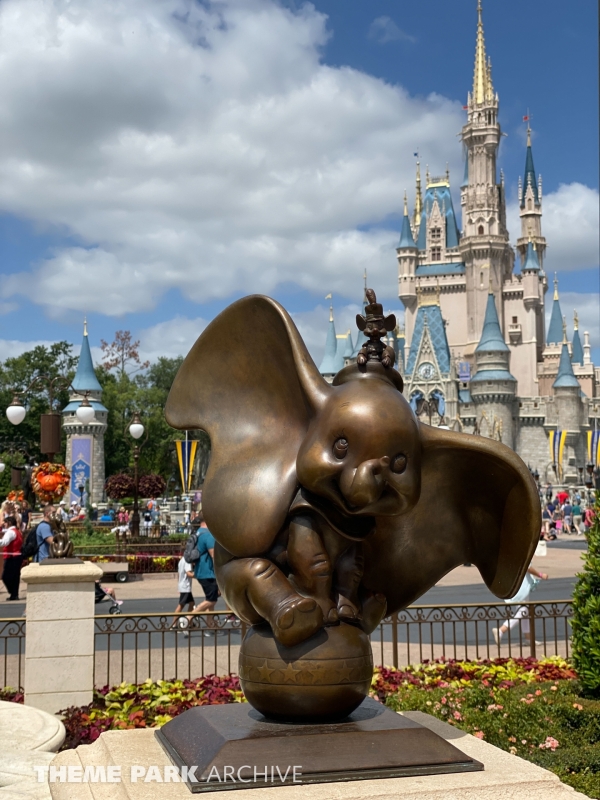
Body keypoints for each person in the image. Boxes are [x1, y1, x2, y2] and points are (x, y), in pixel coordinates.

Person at [492, 565, 548, 646]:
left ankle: (528, 638)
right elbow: (527, 566)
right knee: (523, 611)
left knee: (525, 611)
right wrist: (540, 575)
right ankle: (501, 630)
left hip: (517, 583)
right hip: (522, 585)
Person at [189, 518, 220, 634]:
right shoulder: (208, 535)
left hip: (200, 571)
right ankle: (188, 618)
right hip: (208, 572)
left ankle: (209, 626)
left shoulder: (198, 533)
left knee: (212, 599)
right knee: (211, 600)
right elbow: (214, 556)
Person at [0, 515, 23, 600]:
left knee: (6, 577)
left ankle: (13, 593)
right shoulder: (17, 531)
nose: (4, 524)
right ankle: (14, 594)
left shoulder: (10, 532)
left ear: (9, 523)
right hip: (16, 556)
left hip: (12, 557)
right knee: (15, 577)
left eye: (5, 522)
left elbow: (4, 542)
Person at [172, 555, 195, 629]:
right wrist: (198, 575)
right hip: (186, 587)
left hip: (183, 586)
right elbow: (189, 573)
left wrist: (179, 586)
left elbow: (179, 574)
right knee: (181, 605)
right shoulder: (187, 561)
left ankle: (190, 623)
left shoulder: (181, 560)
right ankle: (174, 624)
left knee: (192, 603)